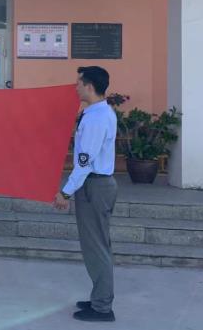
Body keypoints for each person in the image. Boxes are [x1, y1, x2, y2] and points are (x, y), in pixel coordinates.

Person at [54, 66, 118, 323]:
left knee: (96, 248)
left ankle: (102, 307)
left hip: (94, 187)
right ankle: (99, 297)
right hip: (96, 185)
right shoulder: (98, 112)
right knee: (98, 245)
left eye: (78, 83)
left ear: (89, 86)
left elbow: (84, 163)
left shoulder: (95, 119)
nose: (76, 87)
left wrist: (65, 192)